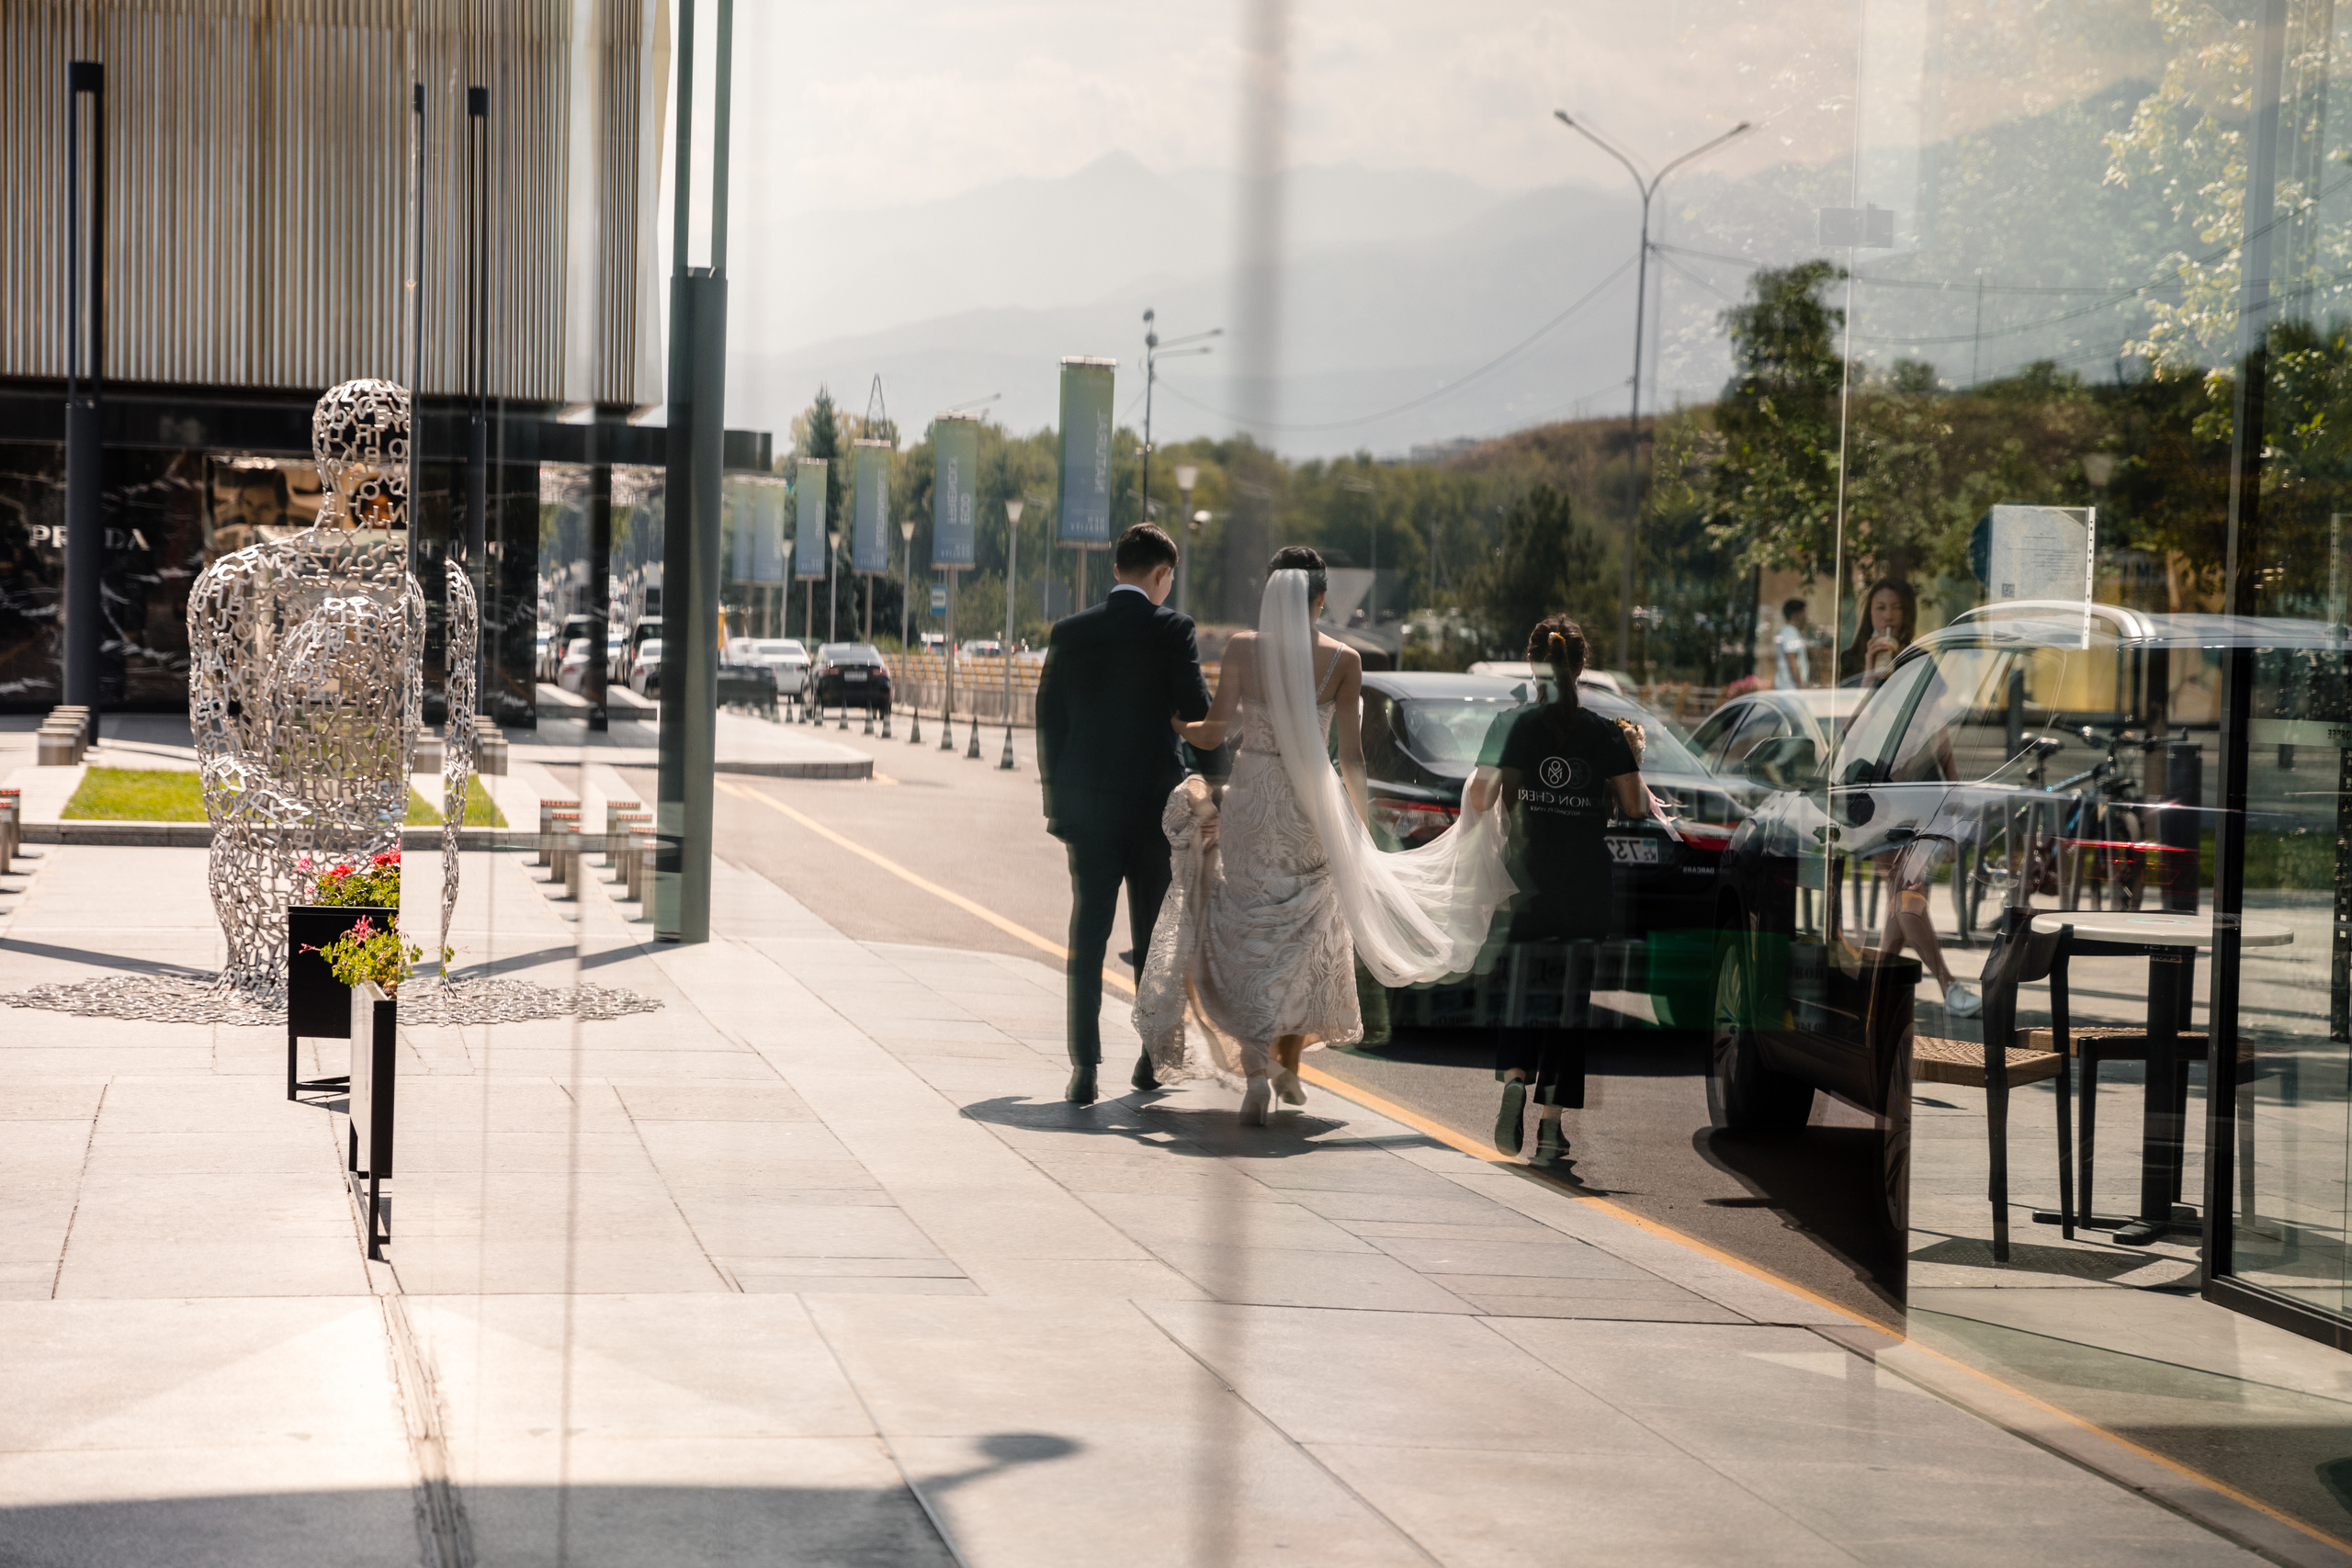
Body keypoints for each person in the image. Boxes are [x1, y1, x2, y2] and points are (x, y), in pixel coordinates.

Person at [1137, 548, 1515, 1125]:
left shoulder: (1243, 648)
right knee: (1305, 935)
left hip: (1255, 798)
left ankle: (1259, 1073)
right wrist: (1357, 824)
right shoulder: (1344, 660)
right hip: (1310, 806)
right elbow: (1354, 756)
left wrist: (1175, 723)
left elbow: (1215, 732)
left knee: (1248, 929)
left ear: (1272, 596)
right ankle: (1286, 1062)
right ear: (1319, 600)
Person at [1035, 523, 1213, 1105]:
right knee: (1151, 936)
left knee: (1088, 933)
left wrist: (1058, 808)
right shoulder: (1174, 630)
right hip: (1152, 810)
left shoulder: (1070, 632)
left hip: (1087, 808)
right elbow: (1195, 710)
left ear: (1117, 569)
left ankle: (1083, 1067)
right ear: (1162, 575)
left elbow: (1049, 725)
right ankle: (1149, 1059)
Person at [1465, 616, 1648, 1168]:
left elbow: (1480, 798)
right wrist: (1631, 757)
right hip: (1587, 884)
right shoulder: (1606, 733)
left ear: (1532, 663)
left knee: (1523, 987)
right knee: (1570, 1005)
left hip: (1527, 880)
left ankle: (1516, 1081)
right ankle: (1550, 1128)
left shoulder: (1512, 724)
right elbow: (1637, 807)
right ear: (1582, 666)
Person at [1838, 578, 1917, 686]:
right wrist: (1869, 669)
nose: (1888, 616)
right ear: (1870, 612)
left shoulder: (1918, 658)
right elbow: (1849, 702)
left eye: (1897, 608)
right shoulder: (1851, 659)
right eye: (1881, 608)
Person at [1773, 598, 1811, 689]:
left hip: (1789, 688)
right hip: (1790, 689)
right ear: (1796, 614)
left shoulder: (1791, 632)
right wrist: (1800, 684)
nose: (1807, 617)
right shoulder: (1789, 632)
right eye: (1804, 613)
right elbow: (1792, 659)